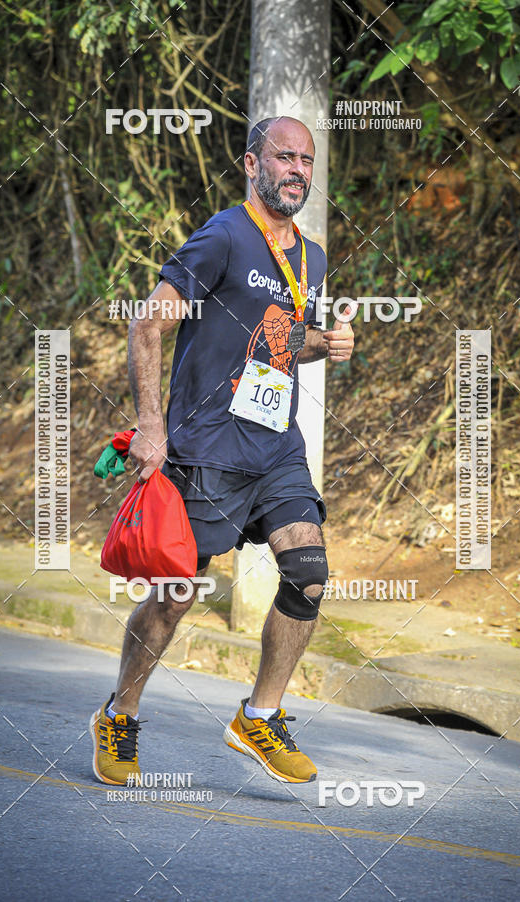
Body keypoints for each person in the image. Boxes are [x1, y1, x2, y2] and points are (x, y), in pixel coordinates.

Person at [91, 115, 354, 786]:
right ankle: (119, 715)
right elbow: (148, 321)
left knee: (310, 570)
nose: (297, 169)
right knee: (176, 596)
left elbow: (278, 339)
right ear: (252, 164)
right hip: (206, 450)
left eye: (306, 159)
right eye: (284, 156)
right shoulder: (224, 236)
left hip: (276, 451)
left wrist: (326, 344)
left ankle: (259, 715)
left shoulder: (311, 257)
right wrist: (152, 424)